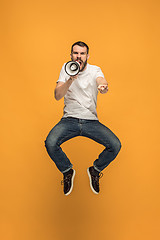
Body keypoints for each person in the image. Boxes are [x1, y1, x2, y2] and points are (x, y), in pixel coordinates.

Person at [45, 41, 121, 196]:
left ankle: (95, 170)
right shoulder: (66, 69)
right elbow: (57, 96)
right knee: (50, 143)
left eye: (82, 53)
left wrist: (103, 86)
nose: (78, 56)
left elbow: (101, 81)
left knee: (115, 145)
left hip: (91, 121)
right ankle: (67, 171)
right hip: (69, 120)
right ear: (71, 55)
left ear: (87, 56)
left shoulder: (95, 70)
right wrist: (71, 79)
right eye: (75, 53)